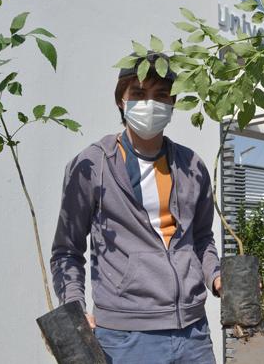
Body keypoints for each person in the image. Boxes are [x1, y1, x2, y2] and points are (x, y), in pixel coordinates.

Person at [50, 52, 221, 364]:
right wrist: (75, 308)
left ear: (173, 102)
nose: (150, 104)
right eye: (139, 94)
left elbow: (202, 238)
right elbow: (67, 251)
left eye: (161, 95)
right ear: (121, 100)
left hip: (194, 332)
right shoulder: (91, 165)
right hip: (126, 338)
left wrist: (217, 277)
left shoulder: (192, 165)